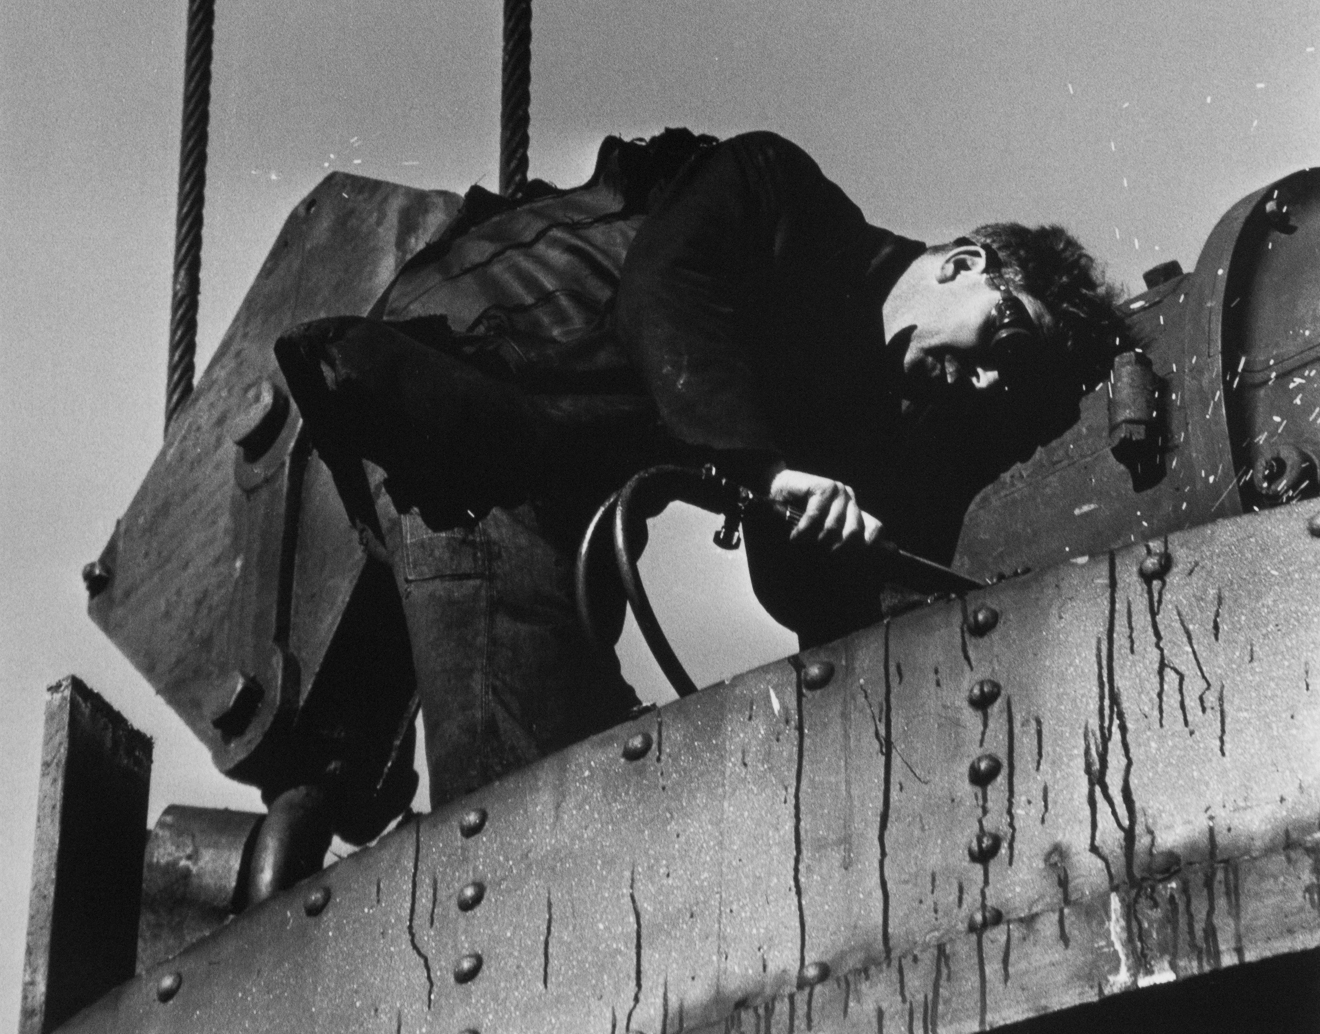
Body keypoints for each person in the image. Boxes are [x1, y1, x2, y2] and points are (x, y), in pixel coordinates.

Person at [275, 128, 1124, 807]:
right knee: (520, 814)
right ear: (965, 264)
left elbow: (797, 592)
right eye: (1003, 343)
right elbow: (663, 292)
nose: (982, 380)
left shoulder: (850, 410)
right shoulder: (779, 189)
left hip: (548, 475)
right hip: (473, 407)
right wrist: (769, 473)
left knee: (586, 779)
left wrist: (842, 541)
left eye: (1007, 383)